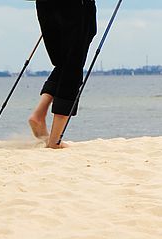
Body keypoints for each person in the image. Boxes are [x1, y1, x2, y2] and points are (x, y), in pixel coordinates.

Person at [28, 0, 97, 149]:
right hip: (76, 6)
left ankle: (39, 115)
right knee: (73, 65)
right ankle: (55, 140)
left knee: (64, 60)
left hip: (45, 5)